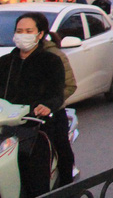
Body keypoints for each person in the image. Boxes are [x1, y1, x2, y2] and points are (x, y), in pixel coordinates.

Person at [0, 12, 67, 197]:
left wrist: (46, 107)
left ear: (40, 34)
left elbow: (56, 93)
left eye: (29, 31)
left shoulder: (51, 61)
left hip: (34, 127)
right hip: (4, 126)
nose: (23, 35)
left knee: (35, 177)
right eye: (19, 31)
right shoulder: (5, 62)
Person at [43, 34, 76, 186]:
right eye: (19, 31)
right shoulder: (13, 58)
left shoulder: (55, 56)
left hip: (53, 114)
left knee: (61, 148)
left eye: (29, 31)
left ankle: (67, 187)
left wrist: (49, 103)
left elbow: (70, 86)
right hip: (21, 115)